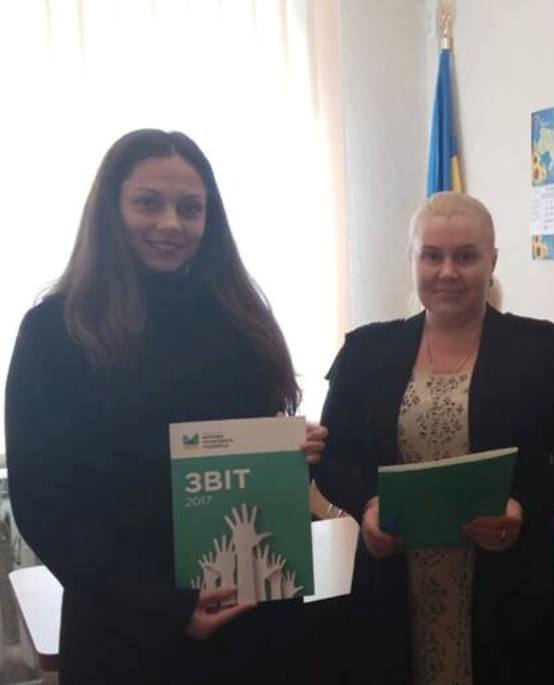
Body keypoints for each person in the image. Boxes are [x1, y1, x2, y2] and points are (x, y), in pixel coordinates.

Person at [5, 129, 327, 684]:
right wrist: (164, 610)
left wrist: (293, 451)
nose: (171, 224)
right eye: (148, 203)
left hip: (255, 616)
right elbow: (44, 503)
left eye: (190, 208)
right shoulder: (56, 331)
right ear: (112, 210)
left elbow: (256, 451)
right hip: (129, 632)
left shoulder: (240, 317)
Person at [313, 191, 554, 685]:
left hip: (508, 582)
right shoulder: (367, 351)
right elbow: (335, 456)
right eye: (432, 256)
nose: (448, 272)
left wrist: (523, 505)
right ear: (412, 260)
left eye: (466, 256)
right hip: (394, 578)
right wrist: (367, 505)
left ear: (492, 261)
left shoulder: (543, 348)